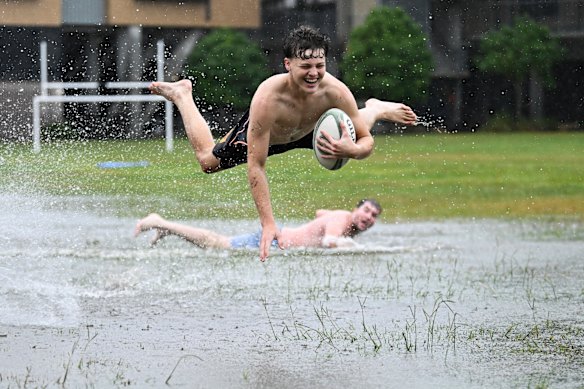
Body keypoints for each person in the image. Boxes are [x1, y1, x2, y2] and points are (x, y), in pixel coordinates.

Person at [149, 25, 415, 260]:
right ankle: (183, 95)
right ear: (288, 64)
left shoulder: (336, 91)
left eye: (320, 66)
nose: (314, 74)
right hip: (271, 136)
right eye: (306, 67)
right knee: (208, 161)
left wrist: (354, 150)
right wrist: (268, 224)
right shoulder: (267, 99)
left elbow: (367, 140)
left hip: (310, 130)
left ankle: (375, 108)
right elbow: (256, 166)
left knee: (353, 130)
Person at [134, 199, 382, 251]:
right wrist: (358, 249)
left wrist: (326, 218)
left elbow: (320, 211)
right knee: (216, 244)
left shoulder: (339, 218)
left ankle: (167, 228)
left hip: (277, 240)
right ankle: (160, 222)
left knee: (216, 245)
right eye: (367, 210)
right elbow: (329, 241)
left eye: (374, 216)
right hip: (273, 241)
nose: (369, 217)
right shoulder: (342, 220)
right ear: (355, 209)